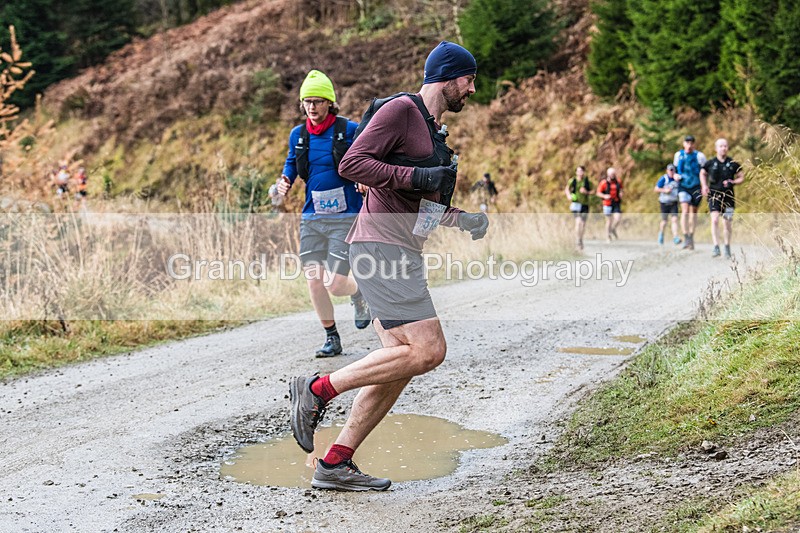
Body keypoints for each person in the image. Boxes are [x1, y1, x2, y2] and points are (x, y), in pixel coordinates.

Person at [289, 41, 488, 491]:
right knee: (429, 350)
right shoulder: (401, 110)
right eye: (469, 79)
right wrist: (417, 177)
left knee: (398, 365)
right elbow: (352, 162)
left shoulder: (436, 136)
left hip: (400, 251)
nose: (472, 89)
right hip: (381, 248)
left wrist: (462, 218)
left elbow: (420, 206)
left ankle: (335, 463)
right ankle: (316, 390)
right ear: (448, 76)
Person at [277, 69, 370, 357]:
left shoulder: (348, 130)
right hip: (312, 217)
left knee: (336, 282)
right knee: (314, 280)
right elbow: (292, 163)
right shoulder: (298, 134)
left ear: (330, 102)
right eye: (308, 101)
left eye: (318, 101)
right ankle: (332, 338)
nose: (312, 107)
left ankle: (358, 293)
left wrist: (365, 176)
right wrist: (284, 181)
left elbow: (369, 155)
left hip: (345, 217)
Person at [700, 138, 744, 259]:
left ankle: (727, 246)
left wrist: (733, 182)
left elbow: (741, 177)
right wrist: (704, 186)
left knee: (727, 223)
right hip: (714, 196)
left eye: (725, 146)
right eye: (721, 146)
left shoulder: (733, 163)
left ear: (727, 148)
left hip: (729, 197)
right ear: (716, 148)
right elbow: (702, 173)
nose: (723, 148)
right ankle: (716, 246)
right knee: (714, 220)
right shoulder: (710, 163)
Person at [673, 135, 707, 250]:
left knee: (693, 212)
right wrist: (675, 176)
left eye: (691, 143)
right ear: (684, 144)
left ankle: (691, 236)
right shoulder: (678, 155)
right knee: (685, 211)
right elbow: (674, 169)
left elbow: (704, 171)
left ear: (694, 144)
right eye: (687, 142)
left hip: (696, 186)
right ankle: (686, 236)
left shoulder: (700, 156)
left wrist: (704, 186)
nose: (689, 145)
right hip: (683, 186)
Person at [564, 165, 593, 250]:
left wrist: (586, 192)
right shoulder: (572, 181)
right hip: (575, 203)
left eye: (581, 171)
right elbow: (567, 189)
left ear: (584, 172)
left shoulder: (587, 181)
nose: (580, 173)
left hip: (585, 204)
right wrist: (569, 196)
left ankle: (581, 239)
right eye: (578, 171)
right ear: (576, 172)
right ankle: (577, 240)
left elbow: (593, 191)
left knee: (583, 224)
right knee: (578, 222)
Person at [654, 163, 681, 245]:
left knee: (675, 219)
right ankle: (661, 234)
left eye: (673, 170)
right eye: (670, 170)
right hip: (664, 202)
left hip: (674, 202)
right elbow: (656, 189)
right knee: (664, 221)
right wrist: (664, 190)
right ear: (667, 171)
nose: (671, 172)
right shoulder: (664, 179)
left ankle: (675, 237)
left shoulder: (677, 179)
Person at [596, 167, 623, 242]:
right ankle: (608, 236)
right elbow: (598, 193)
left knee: (618, 218)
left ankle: (613, 229)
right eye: (611, 174)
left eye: (614, 174)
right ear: (608, 174)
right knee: (609, 220)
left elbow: (621, 189)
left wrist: (621, 193)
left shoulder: (618, 181)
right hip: (607, 203)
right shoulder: (604, 183)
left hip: (616, 202)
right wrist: (604, 196)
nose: (612, 175)